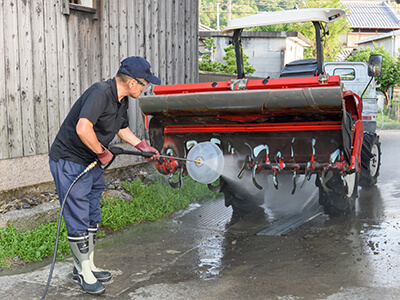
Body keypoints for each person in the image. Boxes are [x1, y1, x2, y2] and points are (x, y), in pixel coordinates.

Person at [49, 56, 161, 295]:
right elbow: (83, 128)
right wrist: (102, 152)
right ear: (133, 82)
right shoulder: (100, 93)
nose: (145, 88)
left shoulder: (122, 100)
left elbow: (120, 128)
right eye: (145, 83)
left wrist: (142, 146)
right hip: (70, 161)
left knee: (92, 213)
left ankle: (88, 265)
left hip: (90, 162)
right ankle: (82, 272)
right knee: (77, 214)